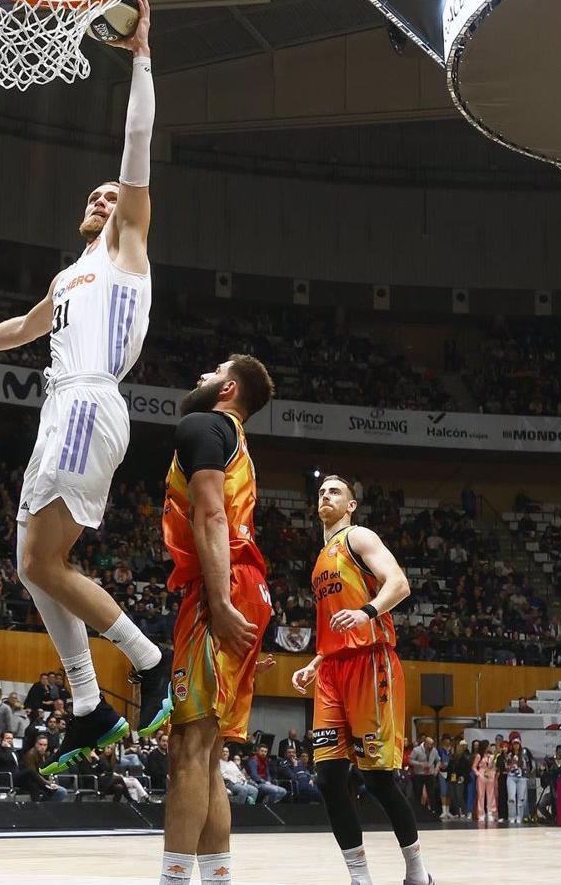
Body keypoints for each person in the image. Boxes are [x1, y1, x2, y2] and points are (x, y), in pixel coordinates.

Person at [0, 0, 170, 767]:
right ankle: (91, 706)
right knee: (31, 567)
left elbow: (136, 142)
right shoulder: (71, 274)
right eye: (92, 196)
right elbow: (24, 329)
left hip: (92, 400)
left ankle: (151, 664)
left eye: (110, 194)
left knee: (42, 562)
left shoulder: (128, 247)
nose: (102, 198)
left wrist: (142, 60)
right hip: (62, 406)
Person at [158, 353, 277, 885]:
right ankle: (216, 879)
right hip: (243, 583)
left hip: (220, 589)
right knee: (207, 754)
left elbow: (209, 513)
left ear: (227, 388)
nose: (199, 376)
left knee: (187, 747)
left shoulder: (203, 424)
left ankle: (175, 880)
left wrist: (220, 601)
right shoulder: (239, 443)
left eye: (210, 372)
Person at [291, 474, 433, 884]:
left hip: (371, 664)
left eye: (334, 491)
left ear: (351, 505)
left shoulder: (359, 538)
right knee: (328, 779)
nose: (325, 496)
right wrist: (315, 662)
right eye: (321, 491)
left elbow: (400, 584)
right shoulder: (320, 561)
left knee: (377, 779)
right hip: (331, 672)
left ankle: (417, 872)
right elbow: (332, 625)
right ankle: (359, 877)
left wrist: (367, 612)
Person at [473, 741, 498, 822]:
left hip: (490, 775)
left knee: (491, 795)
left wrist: (493, 773)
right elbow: (474, 767)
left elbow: (493, 767)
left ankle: (490, 813)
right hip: (482, 774)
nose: (489, 747)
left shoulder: (491, 756)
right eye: (488, 746)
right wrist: (478, 774)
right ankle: (481, 814)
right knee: (481, 795)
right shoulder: (479, 756)